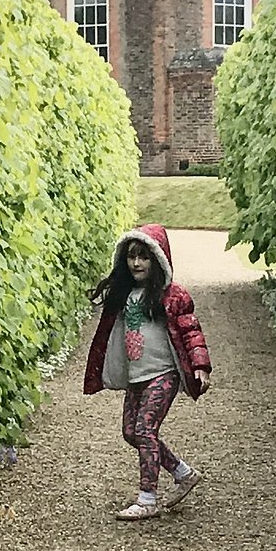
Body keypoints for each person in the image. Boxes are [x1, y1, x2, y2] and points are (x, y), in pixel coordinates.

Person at [82, 222, 211, 521]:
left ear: (158, 259)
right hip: (136, 377)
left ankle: (147, 498)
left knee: (145, 430)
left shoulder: (172, 295)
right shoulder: (123, 295)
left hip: (163, 373)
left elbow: (192, 332)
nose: (137, 263)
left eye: (144, 256)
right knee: (131, 433)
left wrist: (200, 366)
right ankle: (184, 473)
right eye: (131, 256)